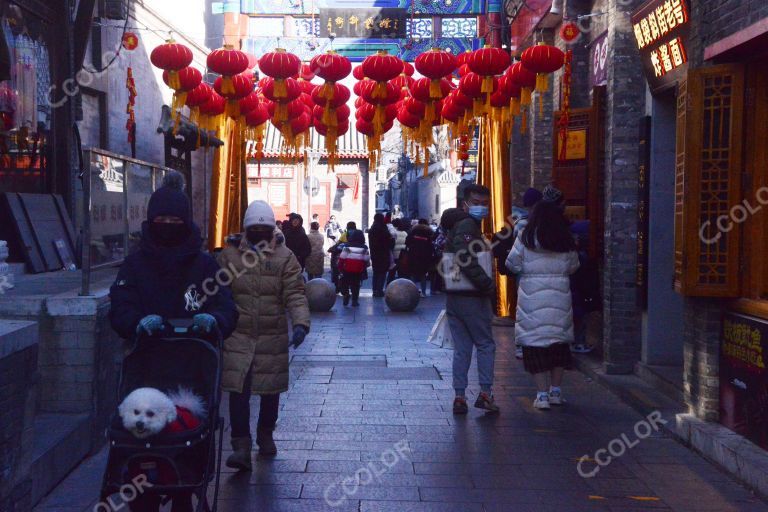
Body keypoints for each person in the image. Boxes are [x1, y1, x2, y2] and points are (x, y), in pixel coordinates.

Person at [109, 172, 238, 512]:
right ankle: (142, 492)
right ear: (151, 222)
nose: (168, 225)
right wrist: (136, 323)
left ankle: (185, 491)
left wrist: (215, 321)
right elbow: (120, 306)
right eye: (161, 219)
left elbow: (225, 306)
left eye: (175, 220)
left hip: (192, 368)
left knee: (191, 437)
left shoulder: (204, 264)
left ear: (186, 222)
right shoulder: (135, 264)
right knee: (140, 436)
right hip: (146, 364)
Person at [218, 200, 311, 467]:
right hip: (238, 334)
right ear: (247, 228)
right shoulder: (230, 255)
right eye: (254, 227)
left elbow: (295, 293)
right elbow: (219, 292)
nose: (259, 231)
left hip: (272, 333)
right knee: (238, 392)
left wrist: (301, 323)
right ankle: (240, 445)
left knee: (271, 391)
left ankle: (265, 434)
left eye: (264, 227)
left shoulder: (285, 257)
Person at [506, 198, 580, 410]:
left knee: (536, 346)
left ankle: (541, 396)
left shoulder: (525, 237)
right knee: (558, 345)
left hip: (532, 298)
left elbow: (511, 263)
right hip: (559, 299)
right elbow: (574, 266)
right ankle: (556, 392)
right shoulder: (565, 240)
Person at [441, 184, 499, 415]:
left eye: (485, 203)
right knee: (485, 344)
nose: (481, 207)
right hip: (471, 295)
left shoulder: (457, 224)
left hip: (455, 294)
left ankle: (459, 396)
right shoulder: (467, 224)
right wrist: (485, 283)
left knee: (462, 348)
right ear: (465, 203)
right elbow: (464, 256)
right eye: (476, 202)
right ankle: (485, 393)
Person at [338, 229, 370, 307]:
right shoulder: (364, 247)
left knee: (345, 283)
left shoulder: (347, 246)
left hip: (347, 268)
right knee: (355, 285)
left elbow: (342, 257)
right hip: (358, 269)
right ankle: (354, 301)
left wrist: (340, 267)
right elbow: (366, 259)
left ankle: (346, 294)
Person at [405, 219, 435, 297]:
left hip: (413, 254)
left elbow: (407, 242)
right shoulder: (429, 232)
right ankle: (423, 292)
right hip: (425, 255)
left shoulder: (413, 231)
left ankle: (413, 292)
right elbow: (432, 244)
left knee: (413, 273)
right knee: (423, 274)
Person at [367, 213, 394, 297]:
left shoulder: (372, 229)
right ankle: (379, 290)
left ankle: (374, 290)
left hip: (374, 253)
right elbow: (389, 241)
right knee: (382, 273)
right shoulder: (383, 229)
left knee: (376, 272)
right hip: (383, 253)